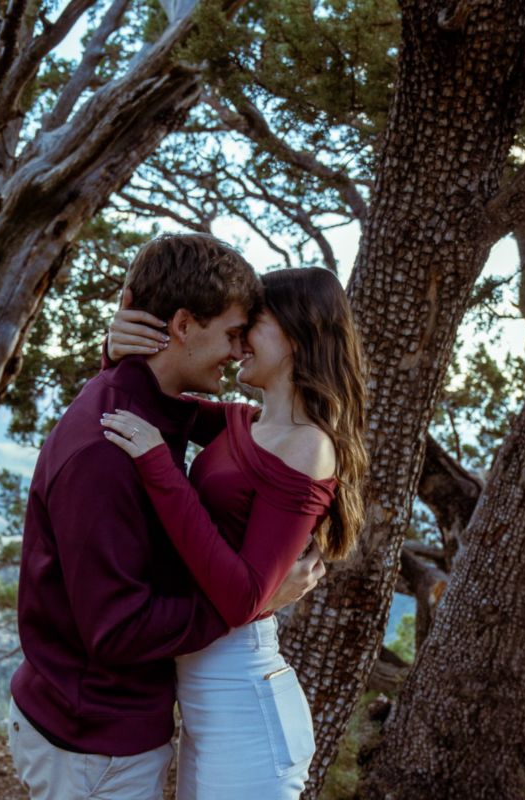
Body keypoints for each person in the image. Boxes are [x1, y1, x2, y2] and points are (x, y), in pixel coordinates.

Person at [8, 234, 326, 800]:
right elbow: (118, 630)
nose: (238, 350)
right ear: (183, 325)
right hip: (93, 739)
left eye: (250, 332)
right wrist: (256, 603)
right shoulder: (110, 449)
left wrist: (119, 359)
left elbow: (172, 410)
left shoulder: (140, 418)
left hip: (151, 722)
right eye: (233, 332)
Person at [101, 266, 369, 799]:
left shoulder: (309, 446)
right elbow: (150, 403)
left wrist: (160, 468)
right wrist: (115, 353)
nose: (238, 343)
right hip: (209, 698)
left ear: (298, 333)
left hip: (245, 707)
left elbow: (242, 596)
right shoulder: (243, 423)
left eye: (252, 326)